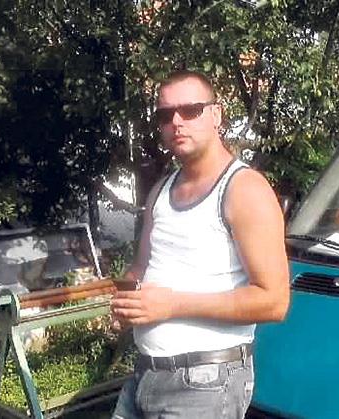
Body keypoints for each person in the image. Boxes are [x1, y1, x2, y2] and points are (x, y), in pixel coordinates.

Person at [110, 70, 290, 419]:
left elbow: (274, 301)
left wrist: (171, 305)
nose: (176, 122)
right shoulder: (161, 190)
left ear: (216, 115)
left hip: (205, 385)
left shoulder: (244, 189)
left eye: (190, 110)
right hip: (144, 375)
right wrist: (127, 300)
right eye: (165, 114)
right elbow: (142, 267)